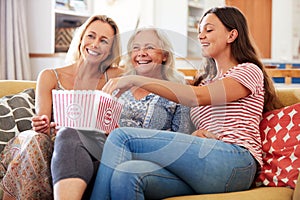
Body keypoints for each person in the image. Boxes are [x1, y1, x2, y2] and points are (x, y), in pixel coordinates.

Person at [90, 6, 283, 200]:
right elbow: (190, 106)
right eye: (199, 31)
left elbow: (196, 97)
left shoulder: (248, 71)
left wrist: (135, 79)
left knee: (122, 137)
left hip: (237, 161)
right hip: (206, 161)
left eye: (208, 30)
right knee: (127, 174)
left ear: (231, 35)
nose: (200, 36)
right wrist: (195, 135)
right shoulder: (205, 80)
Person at [50, 27, 194, 200]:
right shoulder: (120, 86)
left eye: (149, 47)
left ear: (165, 55)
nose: (141, 53)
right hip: (106, 152)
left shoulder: (179, 90)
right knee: (69, 132)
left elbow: (183, 140)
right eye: (135, 48)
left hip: (145, 159)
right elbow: (102, 122)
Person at [0, 14, 123, 200]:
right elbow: (42, 123)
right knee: (37, 140)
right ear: (81, 38)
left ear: (111, 50)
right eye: (91, 36)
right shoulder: (50, 76)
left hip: (90, 151)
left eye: (104, 41)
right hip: (50, 147)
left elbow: (154, 79)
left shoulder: (116, 77)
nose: (95, 44)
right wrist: (42, 124)